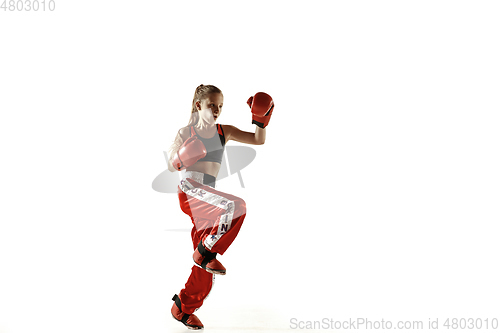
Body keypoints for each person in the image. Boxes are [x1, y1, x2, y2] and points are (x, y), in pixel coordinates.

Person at [166, 84, 274, 330]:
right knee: (235, 206)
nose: (216, 110)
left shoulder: (224, 131)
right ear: (199, 106)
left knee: (206, 272)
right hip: (191, 191)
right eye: (211, 105)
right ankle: (205, 251)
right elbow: (172, 165)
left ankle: (182, 307)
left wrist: (260, 120)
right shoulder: (186, 132)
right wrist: (182, 155)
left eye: (220, 106)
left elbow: (258, 140)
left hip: (209, 199)